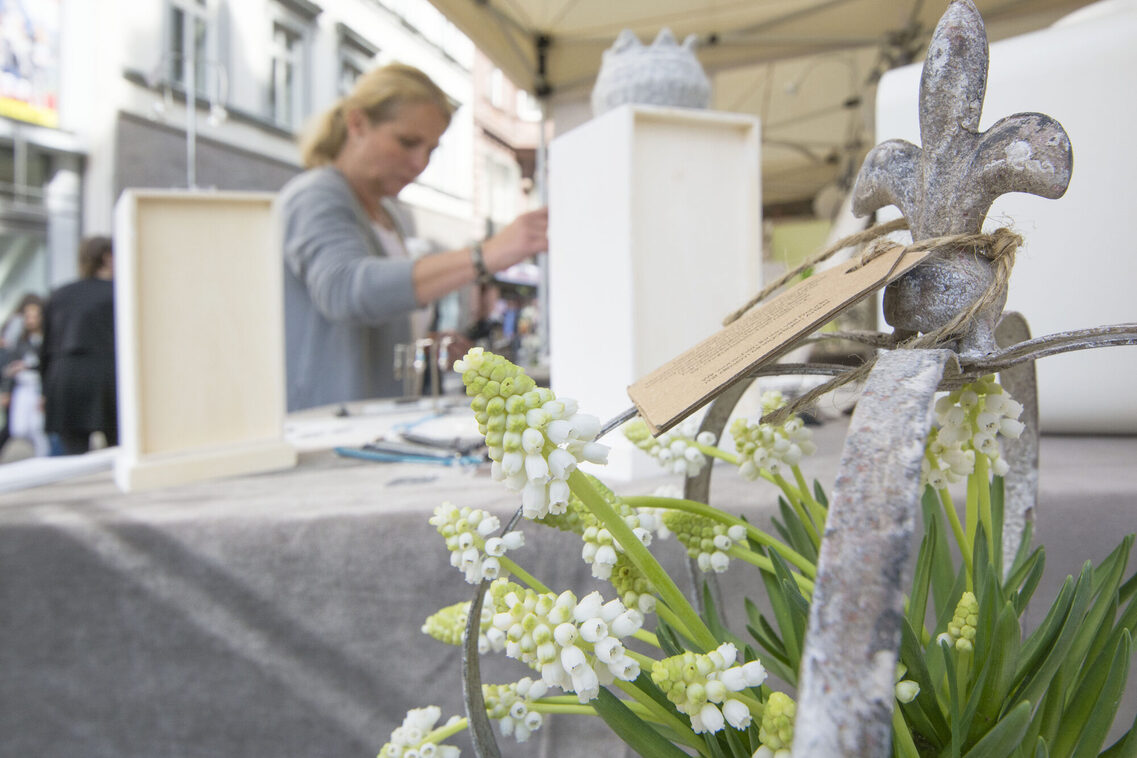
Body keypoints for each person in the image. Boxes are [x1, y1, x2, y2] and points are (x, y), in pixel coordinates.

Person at [277, 62, 548, 412]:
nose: (420, 163)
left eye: (431, 150)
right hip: (324, 425)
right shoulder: (316, 195)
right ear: (357, 123)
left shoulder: (385, 215)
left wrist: (420, 341)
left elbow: (365, 316)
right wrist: (483, 256)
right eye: (407, 142)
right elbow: (344, 288)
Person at [41, 235, 118, 455]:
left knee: (73, 455)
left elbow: (46, 347)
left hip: (64, 376)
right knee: (120, 449)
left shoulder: (59, 294)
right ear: (107, 257)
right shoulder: (119, 292)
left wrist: (44, 389)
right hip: (108, 374)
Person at [1, 294, 48, 457]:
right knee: (19, 428)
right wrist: (6, 389)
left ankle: (43, 457)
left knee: (37, 427)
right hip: (23, 387)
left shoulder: (46, 340)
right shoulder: (21, 341)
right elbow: (10, 365)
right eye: (28, 316)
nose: (31, 321)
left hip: (39, 386)